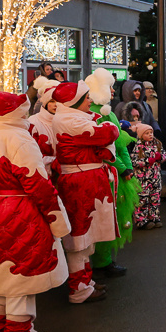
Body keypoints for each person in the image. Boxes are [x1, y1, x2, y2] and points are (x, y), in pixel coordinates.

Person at [0, 90, 70, 332]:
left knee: (0, 269)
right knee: (23, 271)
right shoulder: (18, 138)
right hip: (21, 208)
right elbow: (38, 183)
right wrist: (58, 220)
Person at [50, 81, 117, 304]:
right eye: (86, 97)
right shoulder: (70, 120)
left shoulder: (74, 117)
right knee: (79, 237)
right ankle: (78, 288)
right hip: (80, 184)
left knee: (86, 237)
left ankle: (85, 281)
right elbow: (108, 133)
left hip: (86, 181)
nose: (90, 100)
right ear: (75, 101)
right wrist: (107, 130)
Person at [86, 68, 139, 281]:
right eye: (109, 87)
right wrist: (123, 167)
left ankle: (104, 260)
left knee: (112, 217)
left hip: (116, 171)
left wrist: (127, 166)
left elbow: (120, 144)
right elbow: (104, 149)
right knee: (104, 218)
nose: (113, 91)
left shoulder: (108, 112)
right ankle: (101, 262)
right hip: (104, 173)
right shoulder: (94, 115)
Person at [131, 123, 166, 229]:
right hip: (142, 179)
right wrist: (147, 161)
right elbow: (134, 162)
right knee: (142, 199)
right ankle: (141, 220)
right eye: (147, 133)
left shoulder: (157, 144)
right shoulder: (138, 147)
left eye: (151, 132)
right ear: (141, 135)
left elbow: (165, 155)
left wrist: (161, 157)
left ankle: (154, 217)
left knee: (155, 198)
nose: (150, 135)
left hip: (155, 177)